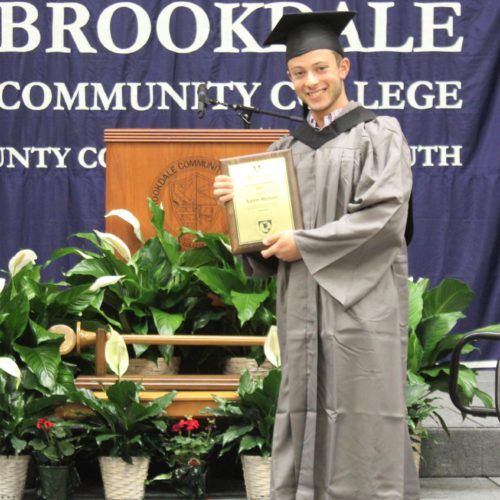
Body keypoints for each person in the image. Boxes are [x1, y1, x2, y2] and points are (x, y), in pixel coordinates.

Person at [213, 10, 419, 500]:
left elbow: (384, 218)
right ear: (290, 78)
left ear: (343, 68)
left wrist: (302, 244)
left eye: (321, 68)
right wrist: (237, 206)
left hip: (361, 308)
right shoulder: (284, 149)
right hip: (303, 307)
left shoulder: (379, 135)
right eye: (299, 72)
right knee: (303, 407)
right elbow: (265, 239)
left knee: (363, 411)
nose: (312, 81)